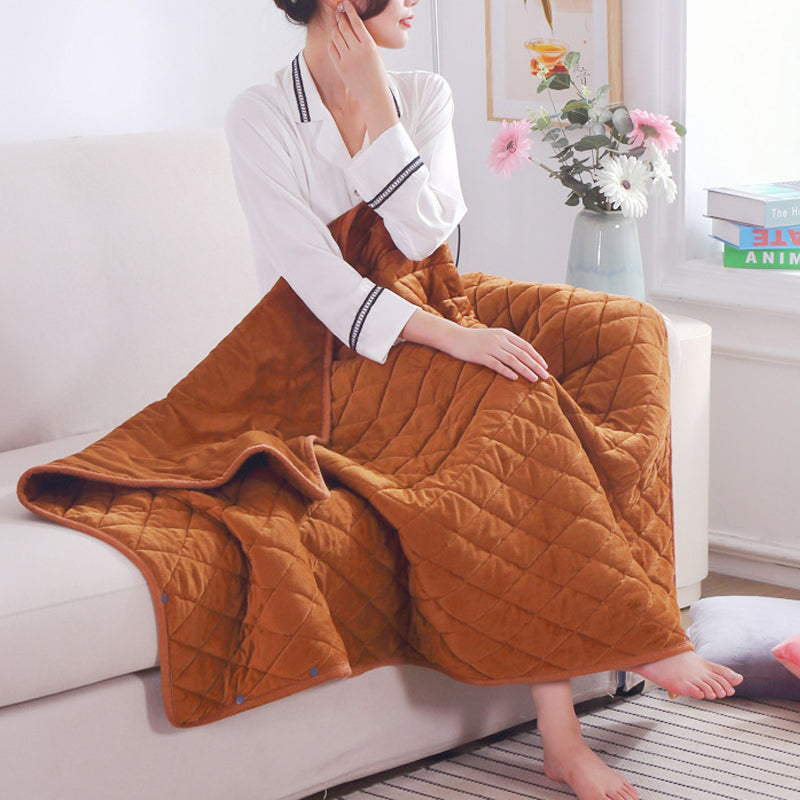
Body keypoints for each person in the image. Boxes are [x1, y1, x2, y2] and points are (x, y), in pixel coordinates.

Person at [224, 2, 743, 798]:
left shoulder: (421, 92)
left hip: (433, 298)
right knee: (510, 399)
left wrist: (376, 106)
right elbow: (312, 279)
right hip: (326, 351)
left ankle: (631, 606)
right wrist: (454, 340)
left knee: (629, 329)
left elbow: (427, 231)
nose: (415, 3)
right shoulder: (260, 116)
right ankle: (568, 733)